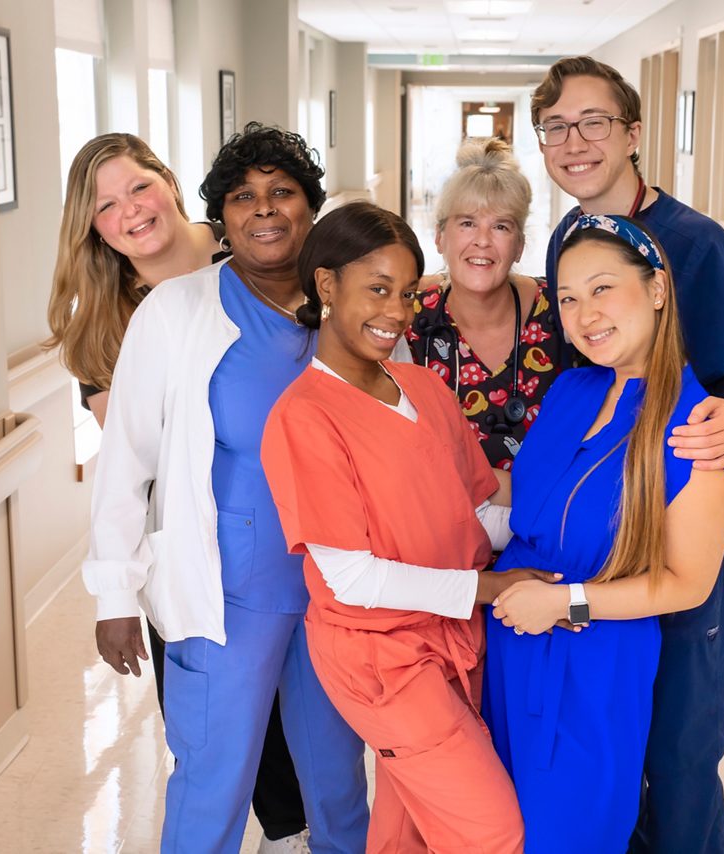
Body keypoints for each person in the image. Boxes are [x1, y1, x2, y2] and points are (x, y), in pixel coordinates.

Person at [81, 124, 368, 853]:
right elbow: (126, 464)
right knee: (213, 784)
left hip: (341, 590)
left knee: (338, 783)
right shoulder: (176, 310)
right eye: (243, 197)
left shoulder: (351, 306)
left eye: (282, 192)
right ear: (221, 214)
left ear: (311, 207)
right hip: (228, 590)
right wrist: (115, 595)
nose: (263, 210)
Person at [262, 202, 555, 854]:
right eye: (375, 289)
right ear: (327, 286)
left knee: (408, 830)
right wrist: (490, 588)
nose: (395, 312)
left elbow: (476, 514)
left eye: (405, 293)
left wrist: (564, 533)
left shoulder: (425, 388)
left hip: (453, 637)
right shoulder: (304, 417)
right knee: (492, 830)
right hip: (381, 658)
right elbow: (352, 577)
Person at [532, 56, 724, 853]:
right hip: (595, 535)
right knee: (606, 759)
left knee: (676, 757)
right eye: (556, 127)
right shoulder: (570, 233)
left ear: (633, 133)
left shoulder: (695, 245)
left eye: (594, 121)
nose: (575, 141)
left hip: (668, 510)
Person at [483, 215, 724, 853]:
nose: (584, 313)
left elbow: (687, 582)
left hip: (591, 662)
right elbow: (540, 498)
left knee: (567, 836)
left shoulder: (692, 425)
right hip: (508, 649)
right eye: (567, 297)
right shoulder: (572, 388)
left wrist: (564, 601)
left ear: (656, 289)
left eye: (602, 289)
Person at [404, 137, 573, 468]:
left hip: (545, 515)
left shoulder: (560, 311)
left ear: (520, 246)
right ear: (439, 237)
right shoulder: (410, 321)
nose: (482, 240)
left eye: (500, 226)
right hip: (440, 514)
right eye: (467, 223)